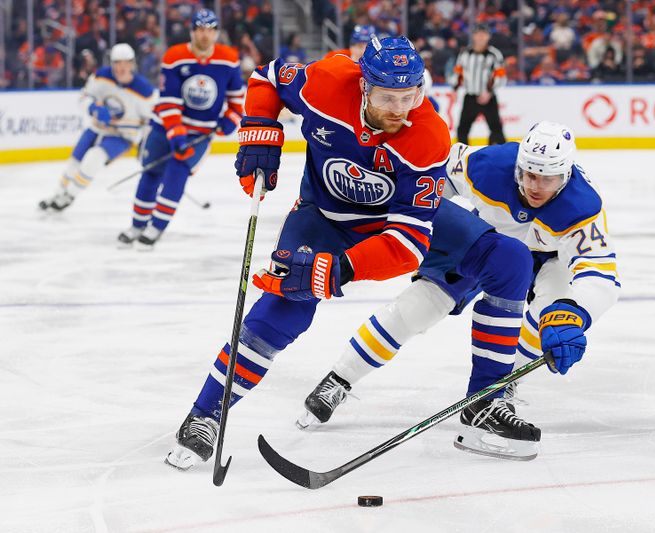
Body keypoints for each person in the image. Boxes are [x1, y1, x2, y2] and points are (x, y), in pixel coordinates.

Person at [164, 35, 452, 470]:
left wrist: (342, 268)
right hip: (320, 217)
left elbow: (409, 246)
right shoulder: (328, 82)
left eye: (408, 96)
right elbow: (267, 77)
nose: (398, 109)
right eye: (387, 96)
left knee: (489, 258)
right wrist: (262, 130)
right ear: (363, 87)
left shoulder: (428, 137)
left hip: (380, 233)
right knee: (284, 308)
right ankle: (205, 414)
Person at [299, 122, 621, 460]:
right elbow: (436, 175)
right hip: (486, 238)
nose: (534, 186)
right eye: (528, 174)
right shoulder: (488, 166)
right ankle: (340, 378)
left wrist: (574, 315)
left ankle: (497, 390)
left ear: (565, 176)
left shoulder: (582, 207)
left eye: (547, 179)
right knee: (417, 307)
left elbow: (600, 275)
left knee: (553, 315)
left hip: (548, 257)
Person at [117, 9, 244, 249]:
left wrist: (230, 119)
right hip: (164, 127)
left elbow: (237, 98)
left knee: (177, 174)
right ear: (192, 31)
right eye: (200, 30)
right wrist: (176, 132)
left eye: (210, 30)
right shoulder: (175, 56)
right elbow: (168, 100)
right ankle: (137, 225)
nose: (205, 35)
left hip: (199, 134)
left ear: (216, 33)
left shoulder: (228, 58)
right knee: (151, 173)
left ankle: (156, 228)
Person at [39, 44, 156, 212]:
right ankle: (58, 194)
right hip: (97, 128)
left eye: (125, 63)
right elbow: (83, 97)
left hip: (122, 136)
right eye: (117, 62)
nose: (121, 67)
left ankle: (70, 195)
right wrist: (93, 107)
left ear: (132, 64)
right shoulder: (101, 76)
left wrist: (146, 142)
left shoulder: (144, 89)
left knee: (95, 157)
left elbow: (150, 120)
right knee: (74, 162)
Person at [450, 24, 507, 145]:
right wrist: (454, 89)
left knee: (496, 129)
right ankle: (463, 156)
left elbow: (500, 77)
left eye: (484, 34)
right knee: (462, 130)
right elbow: (459, 73)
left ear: (488, 36)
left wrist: (489, 92)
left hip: (488, 97)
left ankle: (498, 156)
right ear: (474, 36)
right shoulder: (464, 53)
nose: (481, 37)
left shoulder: (494, 54)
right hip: (470, 96)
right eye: (478, 34)